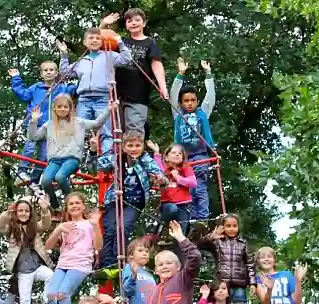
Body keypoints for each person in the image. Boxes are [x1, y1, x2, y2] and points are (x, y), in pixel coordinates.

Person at [27, 95, 112, 214]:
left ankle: (73, 201)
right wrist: (34, 121)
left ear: (70, 108)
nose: (62, 109)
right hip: (54, 160)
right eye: (59, 107)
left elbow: (96, 124)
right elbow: (33, 137)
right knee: (45, 181)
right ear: (55, 109)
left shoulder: (78, 122)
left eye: (65, 107)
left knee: (60, 177)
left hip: (71, 159)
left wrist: (108, 109)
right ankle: (55, 207)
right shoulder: (49, 125)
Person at [57, 28, 131, 160]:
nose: (95, 40)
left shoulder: (109, 56)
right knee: (78, 129)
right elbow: (65, 73)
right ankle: (74, 159)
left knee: (106, 131)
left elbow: (126, 59)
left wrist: (119, 42)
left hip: (103, 98)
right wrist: (64, 54)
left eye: (97, 38)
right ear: (85, 42)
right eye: (91, 38)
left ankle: (106, 160)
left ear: (102, 41)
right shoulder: (82, 61)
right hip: (84, 99)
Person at [97, 131, 167, 271]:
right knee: (110, 229)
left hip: (134, 202)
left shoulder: (145, 159)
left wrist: (160, 178)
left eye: (137, 145)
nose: (134, 149)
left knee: (123, 227)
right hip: (115, 199)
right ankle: (106, 264)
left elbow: (159, 173)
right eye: (130, 145)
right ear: (123, 147)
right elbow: (100, 165)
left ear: (142, 147)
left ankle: (118, 261)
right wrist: (94, 151)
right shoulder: (117, 158)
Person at [100, 9, 168, 136]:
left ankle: (135, 156)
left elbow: (156, 64)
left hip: (138, 95)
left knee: (134, 133)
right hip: (116, 94)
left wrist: (163, 87)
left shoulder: (150, 43)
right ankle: (117, 157)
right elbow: (97, 41)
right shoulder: (120, 41)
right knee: (114, 133)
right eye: (129, 21)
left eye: (137, 20)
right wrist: (103, 24)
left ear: (144, 23)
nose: (133, 23)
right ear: (126, 24)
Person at [8, 63, 78, 185]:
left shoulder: (61, 89)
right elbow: (23, 94)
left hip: (51, 127)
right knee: (29, 147)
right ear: (41, 74)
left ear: (57, 73)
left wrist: (81, 76)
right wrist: (15, 77)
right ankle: (22, 172)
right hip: (35, 123)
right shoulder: (36, 88)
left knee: (44, 155)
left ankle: (34, 180)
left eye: (51, 70)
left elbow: (76, 89)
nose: (48, 72)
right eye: (45, 70)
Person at [0, 196, 53, 304]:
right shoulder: (12, 229)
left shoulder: (33, 227)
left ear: (30, 213)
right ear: (16, 212)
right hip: (23, 271)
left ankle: (46, 302)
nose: (23, 213)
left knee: (51, 275)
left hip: (37, 266)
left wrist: (44, 210)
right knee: (25, 300)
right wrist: (8, 212)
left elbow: (45, 224)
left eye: (26, 211)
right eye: (20, 210)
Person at [44, 192, 102, 304]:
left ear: (83, 206)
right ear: (67, 208)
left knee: (63, 293)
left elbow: (98, 246)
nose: (74, 206)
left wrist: (95, 225)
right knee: (51, 294)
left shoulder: (89, 224)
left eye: (77, 203)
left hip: (80, 264)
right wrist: (58, 230)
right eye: (71, 204)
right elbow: (47, 246)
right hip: (63, 264)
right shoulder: (64, 225)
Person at [170, 58, 215, 221]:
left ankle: (202, 218)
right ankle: (189, 219)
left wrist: (208, 74)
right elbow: (173, 95)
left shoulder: (202, 113)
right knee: (187, 189)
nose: (189, 103)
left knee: (200, 188)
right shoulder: (178, 114)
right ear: (181, 103)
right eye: (186, 101)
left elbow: (210, 96)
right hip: (184, 158)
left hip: (201, 156)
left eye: (192, 100)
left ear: (197, 101)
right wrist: (180, 74)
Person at [199, 215, 255, 304]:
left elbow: (250, 264)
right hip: (222, 285)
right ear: (223, 227)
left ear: (238, 227)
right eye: (228, 226)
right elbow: (200, 244)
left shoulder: (243, 244)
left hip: (239, 285)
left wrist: (253, 283)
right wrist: (212, 236)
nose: (232, 229)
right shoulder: (218, 242)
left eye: (234, 226)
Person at [145, 141, 196, 244]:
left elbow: (193, 183)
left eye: (180, 153)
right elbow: (158, 167)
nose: (177, 154)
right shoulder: (165, 170)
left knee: (181, 236)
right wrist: (156, 153)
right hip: (167, 205)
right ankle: (162, 228)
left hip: (183, 206)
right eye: (174, 152)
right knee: (172, 209)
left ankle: (175, 248)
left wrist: (178, 177)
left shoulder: (186, 169)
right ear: (167, 157)